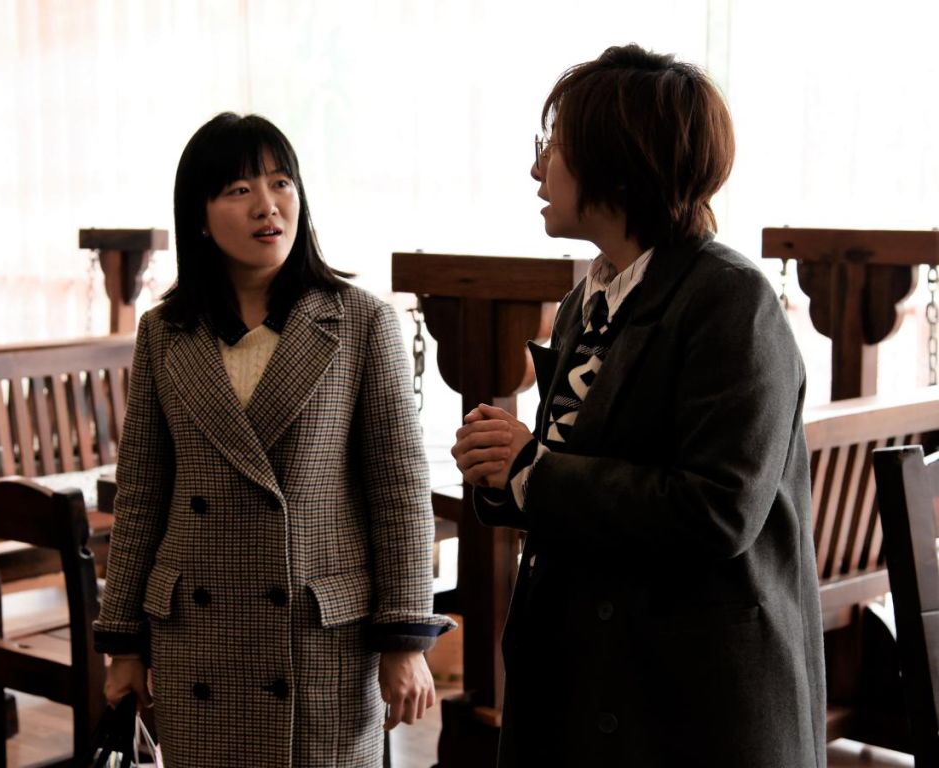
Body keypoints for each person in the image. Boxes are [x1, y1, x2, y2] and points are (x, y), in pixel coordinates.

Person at [451, 45, 825, 768]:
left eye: (554, 147)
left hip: (687, 703)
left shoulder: (731, 299)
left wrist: (532, 471)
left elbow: (718, 510)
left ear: (618, 165)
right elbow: (576, 472)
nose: (537, 170)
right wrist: (505, 470)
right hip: (590, 679)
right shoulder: (587, 300)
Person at [94, 112, 454, 768]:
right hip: (199, 642)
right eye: (239, 190)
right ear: (200, 218)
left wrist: (406, 640)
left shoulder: (361, 322)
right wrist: (123, 644)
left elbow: (400, 494)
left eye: (281, 182)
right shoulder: (165, 332)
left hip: (319, 641)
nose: (267, 205)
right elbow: (142, 496)